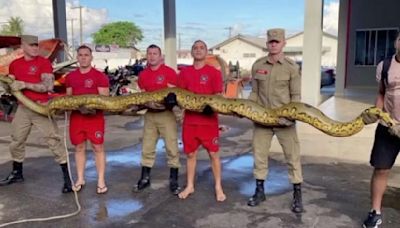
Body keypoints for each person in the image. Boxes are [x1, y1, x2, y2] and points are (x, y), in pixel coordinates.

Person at [0, 35, 73, 193]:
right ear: (23, 46)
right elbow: (11, 85)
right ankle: (17, 172)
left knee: (53, 140)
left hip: (40, 106)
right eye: (32, 45)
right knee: (16, 140)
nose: (35, 48)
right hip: (23, 107)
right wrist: (8, 84)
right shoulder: (15, 64)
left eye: (36, 45)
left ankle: (68, 179)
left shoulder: (43, 62)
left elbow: (47, 86)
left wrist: (24, 84)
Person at [247, 28, 303, 213]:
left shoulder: (291, 67)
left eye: (277, 42)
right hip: (262, 120)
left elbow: (295, 97)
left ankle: (297, 195)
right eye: (271, 41)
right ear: (267, 43)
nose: (273, 44)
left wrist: (291, 116)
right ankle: (259, 191)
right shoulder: (257, 65)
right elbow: (254, 92)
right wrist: (247, 109)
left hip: (284, 121)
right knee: (259, 155)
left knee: (292, 157)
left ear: (283, 43)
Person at [177, 40, 226, 202]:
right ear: (191, 52)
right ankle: (189, 185)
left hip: (209, 122)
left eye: (201, 48)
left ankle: (218, 187)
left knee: (214, 154)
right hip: (190, 122)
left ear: (206, 52)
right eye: (195, 48)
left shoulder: (214, 72)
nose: (198, 50)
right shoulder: (184, 73)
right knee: (190, 155)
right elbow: (180, 95)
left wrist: (211, 107)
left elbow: (219, 96)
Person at [361, 33, 400, 228]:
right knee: (381, 169)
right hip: (388, 126)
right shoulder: (385, 66)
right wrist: (376, 111)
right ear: (397, 42)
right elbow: (381, 92)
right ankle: (375, 212)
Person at [132, 44, 181, 195]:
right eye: (150, 53)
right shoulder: (143, 75)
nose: (152, 56)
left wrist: (167, 102)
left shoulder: (169, 72)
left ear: (161, 57)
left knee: (171, 147)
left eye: (155, 53)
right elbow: (142, 94)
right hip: (150, 115)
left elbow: (174, 95)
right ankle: (144, 178)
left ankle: (174, 180)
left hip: (166, 115)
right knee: (147, 147)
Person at [65, 45, 110, 194]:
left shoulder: (100, 76)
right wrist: (77, 108)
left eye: (86, 55)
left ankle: (101, 180)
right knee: (79, 148)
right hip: (77, 119)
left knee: (98, 148)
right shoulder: (70, 77)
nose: (83, 57)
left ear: (91, 57)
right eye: (80, 55)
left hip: (94, 119)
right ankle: (80, 178)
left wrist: (90, 108)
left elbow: (105, 99)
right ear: (77, 58)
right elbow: (69, 98)